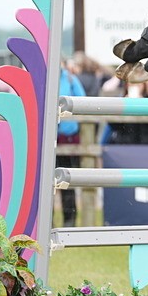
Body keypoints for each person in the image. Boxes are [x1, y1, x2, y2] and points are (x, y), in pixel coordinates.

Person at [57, 64, 86, 226]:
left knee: (66, 180)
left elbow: (82, 101)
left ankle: (70, 220)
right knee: (44, 182)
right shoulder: (42, 78)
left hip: (67, 135)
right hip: (48, 134)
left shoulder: (70, 79)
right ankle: (47, 221)